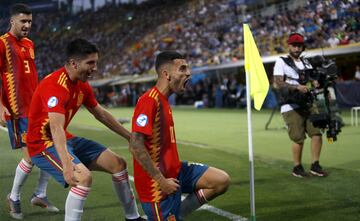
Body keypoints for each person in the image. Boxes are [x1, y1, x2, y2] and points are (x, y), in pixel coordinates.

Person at [26, 38, 145, 221]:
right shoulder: (55, 86)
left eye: (95, 62)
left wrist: (130, 137)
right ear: (74, 63)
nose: (95, 67)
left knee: (118, 164)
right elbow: (56, 128)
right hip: (42, 144)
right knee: (83, 178)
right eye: (90, 63)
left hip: (66, 138)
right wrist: (67, 165)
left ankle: (133, 218)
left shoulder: (82, 84)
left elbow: (101, 114)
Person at [129, 51, 230, 220]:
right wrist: (161, 181)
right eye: (182, 69)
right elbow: (135, 145)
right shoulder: (149, 101)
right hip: (157, 186)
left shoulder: (164, 100)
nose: (188, 73)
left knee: (221, 180)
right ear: (166, 74)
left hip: (176, 172)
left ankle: (177, 215)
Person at [0, 4, 59, 219]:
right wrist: (1, 107)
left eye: (30, 22)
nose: (27, 25)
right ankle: (14, 197)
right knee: (32, 156)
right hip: (18, 110)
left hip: (36, 108)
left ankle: (40, 194)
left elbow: (31, 75)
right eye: (23, 21)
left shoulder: (29, 43)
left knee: (49, 148)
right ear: (12, 21)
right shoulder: (2, 43)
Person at [273, 33, 327, 178]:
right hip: (291, 105)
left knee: (316, 133)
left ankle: (315, 165)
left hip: (308, 103)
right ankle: (297, 167)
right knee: (298, 138)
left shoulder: (306, 62)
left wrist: (316, 83)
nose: (297, 48)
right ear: (289, 46)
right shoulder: (281, 61)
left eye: (299, 45)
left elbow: (311, 81)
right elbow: (278, 83)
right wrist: (297, 87)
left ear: (303, 46)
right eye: (294, 45)